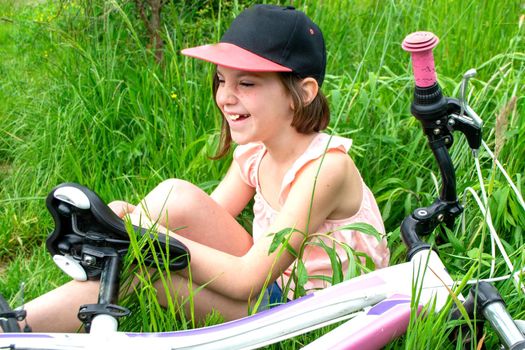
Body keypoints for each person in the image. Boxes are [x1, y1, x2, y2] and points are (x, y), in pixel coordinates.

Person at [20, 4, 389, 332]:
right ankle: (101, 255)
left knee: (149, 270)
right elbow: (196, 220)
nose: (225, 96)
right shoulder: (256, 151)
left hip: (309, 312)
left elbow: (248, 279)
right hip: (272, 282)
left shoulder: (326, 169)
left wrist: (148, 240)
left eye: (246, 83)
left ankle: (21, 326)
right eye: (222, 80)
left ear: (303, 92)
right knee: (173, 198)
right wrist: (135, 225)